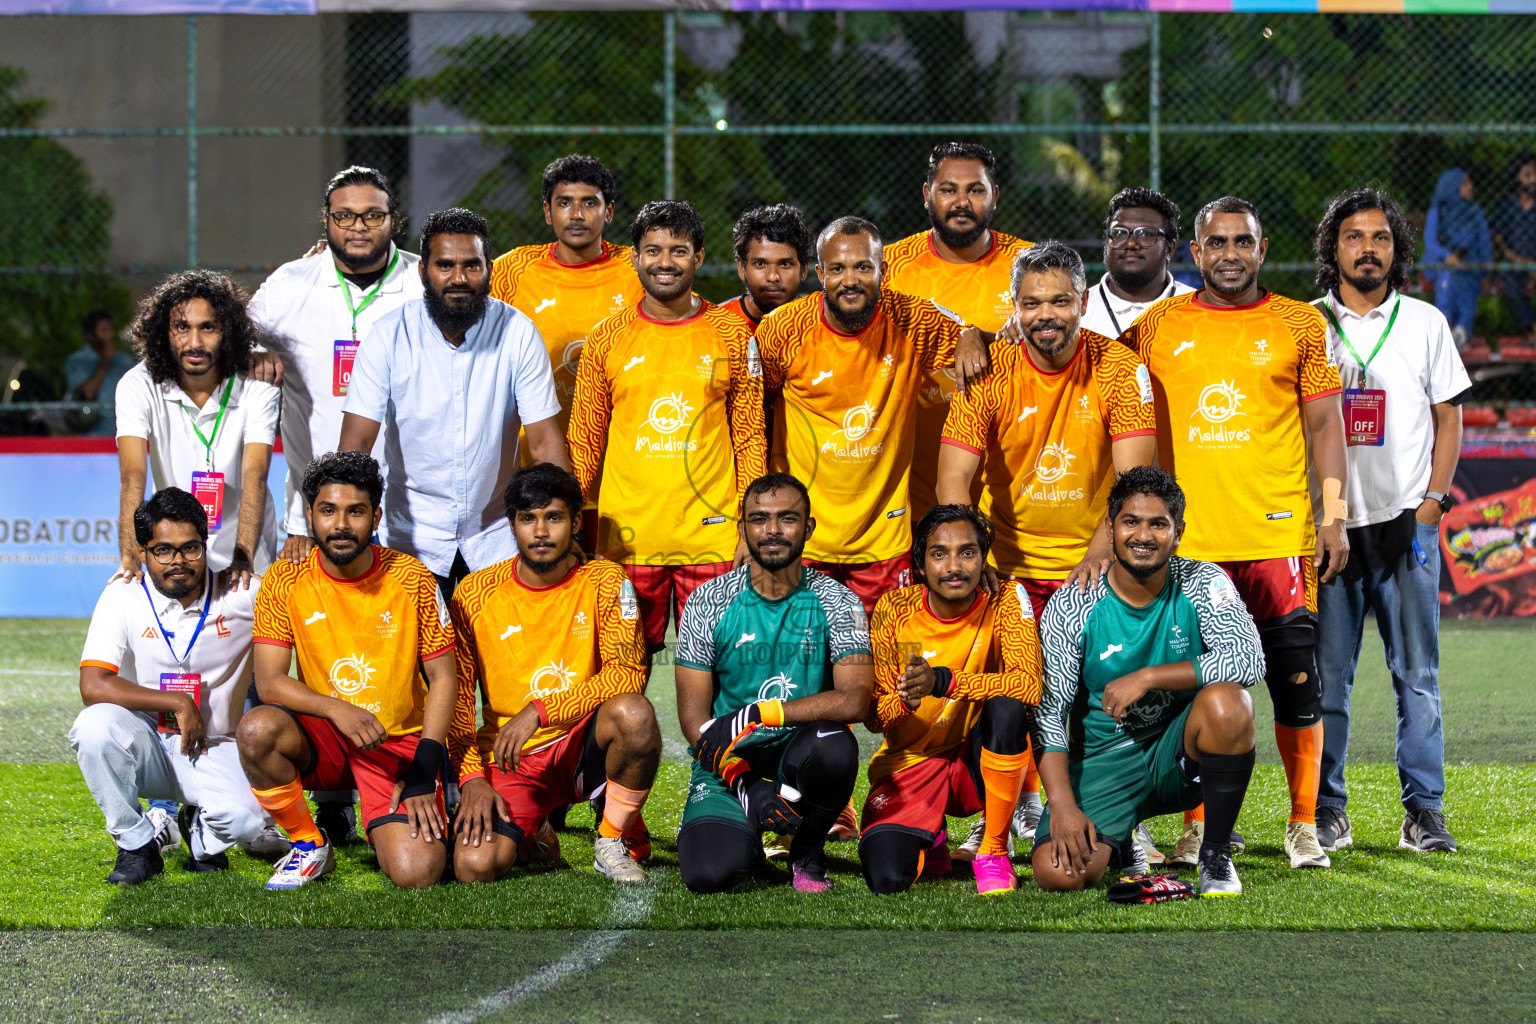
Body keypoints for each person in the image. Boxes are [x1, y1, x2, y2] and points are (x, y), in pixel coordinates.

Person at [1121, 195, 1349, 872]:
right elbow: (1092, 369)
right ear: (1195, 251)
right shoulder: (1154, 325)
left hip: (1275, 536)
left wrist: (1332, 515)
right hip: (1189, 548)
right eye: (1215, 243)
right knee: (1192, 690)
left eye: (1241, 243)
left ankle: (1304, 824)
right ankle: (1196, 825)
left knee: (1297, 683)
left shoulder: (1300, 324)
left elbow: (1326, 428)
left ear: (1262, 247)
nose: (1228, 255)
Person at [937, 240, 1157, 855]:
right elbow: (953, 477)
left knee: (1102, 694)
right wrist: (968, 555)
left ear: (1083, 301)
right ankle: (1001, 821)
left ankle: (1123, 819)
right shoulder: (988, 373)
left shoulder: (1117, 368)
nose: (1046, 314)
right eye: (1032, 303)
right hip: (1009, 569)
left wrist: (1100, 551)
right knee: (1009, 694)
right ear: (1014, 306)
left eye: (1060, 300)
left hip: (1095, 566)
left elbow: (1136, 483)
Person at [1311, 188, 1470, 855]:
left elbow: (1448, 418)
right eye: (1355, 237)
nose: (1368, 248)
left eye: (1380, 237)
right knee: (1329, 683)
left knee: (1417, 676)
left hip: (1408, 524)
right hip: (1333, 532)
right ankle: (1324, 810)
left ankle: (1423, 812)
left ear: (1396, 248)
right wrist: (1321, 516)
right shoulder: (1304, 322)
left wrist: (1433, 503)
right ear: (1333, 248)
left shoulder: (1426, 322)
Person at [1031, 466, 1263, 897]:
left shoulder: (1203, 581)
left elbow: (1249, 658)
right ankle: (1120, 845)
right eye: (1131, 522)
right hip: (1105, 759)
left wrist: (1149, 676)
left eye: (1159, 524)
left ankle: (1215, 854)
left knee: (1231, 703)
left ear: (1178, 533)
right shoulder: (1075, 601)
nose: (1144, 535)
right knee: (1057, 874)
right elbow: (1048, 712)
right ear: (1111, 528)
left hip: (1178, 750)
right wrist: (1062, 806)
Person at [236, 451, 458, 889]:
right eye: (328, 511)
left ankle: (417, 806)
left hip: (396, 746)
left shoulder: (413, 579)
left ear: (375, 516)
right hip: (328, 739)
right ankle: (308, 844)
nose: (341, 524)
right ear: (310, 515)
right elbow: (270, 681)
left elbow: (445, 679)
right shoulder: (284, 579)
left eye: (355, 511)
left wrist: (422, 769)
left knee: (417, 873)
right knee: (257, 730)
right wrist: (338, 710)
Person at [755, 215, 995, 618]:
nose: (851, 279)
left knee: (879, 664)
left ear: (882, 271)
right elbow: (752, 412)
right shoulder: (783, 330)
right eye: (838, 269)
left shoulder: (910, 321)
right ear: (819, 274)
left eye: (863, 267)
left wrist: (971, 333)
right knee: (804, 665)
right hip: (803, 536)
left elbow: (974, 340)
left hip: (883, 539)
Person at [567, 199, 766, 652]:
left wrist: (748, 526)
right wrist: (575, 528)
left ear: (698, 257)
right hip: (626, 545)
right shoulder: (607, 339)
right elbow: (584, 441)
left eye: (678, 251)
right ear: (635, 256)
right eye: (652, 250)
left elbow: (751, 437)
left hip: (712, 540)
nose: (664, 262)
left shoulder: (733, 334)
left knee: (723, 670)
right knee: (623, 671)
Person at [339, 207, 568, 599]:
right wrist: (349, 526)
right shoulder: (388, 335)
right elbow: (356, 444)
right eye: (445, 265)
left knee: (497, 659)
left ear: (489, 269)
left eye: (471, 265)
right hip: (411, 540)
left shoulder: (518, 332)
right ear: (423, 271)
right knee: (416, 661)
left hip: (497, 537)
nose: (459, 278)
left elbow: (546, 443)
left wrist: (566, 530)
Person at [448, 463, 659, 883]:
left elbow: (627, 675)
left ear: (576, 522)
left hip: (583, 744)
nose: (541, 531)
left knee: (634, 713)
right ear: (512, 526)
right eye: (528, 519)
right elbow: (455, 700)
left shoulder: (606, 580)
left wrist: (539, 712)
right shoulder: (473, 594)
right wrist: (471, 776)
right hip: (511, 756)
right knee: (474, 867)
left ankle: (613, 835)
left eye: (554, 517)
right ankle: (537, 832)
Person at [673, 473, 873, 894]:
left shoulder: (839, 600)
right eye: (760, 519)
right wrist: (747, 784)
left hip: (799, 757)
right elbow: (693, 717)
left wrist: (761, 713)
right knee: (711, 874)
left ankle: (807, 848)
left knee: (834, 744)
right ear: (742, 527)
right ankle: (746, 835)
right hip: (728, 761)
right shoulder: (707, 601)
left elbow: (855, 699)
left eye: (788, 519)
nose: (773, 531)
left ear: (809, 528)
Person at [71, 488, 275, 884]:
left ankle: (200, 831)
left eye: (190, 548)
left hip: (215, 742)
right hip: (149, 742)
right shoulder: (122, 594)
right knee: (94, 727)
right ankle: (136, 844)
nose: (178, 562)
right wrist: (177, 702)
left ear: (205, 545)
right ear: (142, 552)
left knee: (248, 824)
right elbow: (92, 685)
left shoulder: (244, 593)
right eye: (163, 550)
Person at [860, 505, 1041, 896]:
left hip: (972, 763)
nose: (954, 566)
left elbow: (1029, 686)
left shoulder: (1006, 598)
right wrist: (906, 701)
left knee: (1007, 706)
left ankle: (993, 851)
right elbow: (874, 716)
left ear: (984, 559)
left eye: (968, 552)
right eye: (939, 554)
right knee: (887, 878)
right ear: (921, 566)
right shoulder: (895, 609)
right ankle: (932, 835)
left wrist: (943, 680)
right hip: (910, 764)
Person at [248, 166, 422, 565]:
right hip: (318, 515)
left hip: (413, 513)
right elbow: (225, 337)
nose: (358, 226)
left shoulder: (423, 283)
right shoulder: (289, 285)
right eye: (344, 215)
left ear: (392, 219)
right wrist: (251, 352)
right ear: (326, 220)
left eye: (373, 215)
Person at [884, 142, 1033, 521]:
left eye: (975, 190)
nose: (961, 201)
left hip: (1009, 496)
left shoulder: (1031, 269)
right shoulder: (888, 268)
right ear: (926, 194)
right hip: (904, 496)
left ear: (994, 196)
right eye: (948, 189)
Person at [115, 270, 279, 582]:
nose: (194, 342)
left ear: (227, 332)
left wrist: (242, 559)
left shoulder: (258, 385)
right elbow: (132, 476)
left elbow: (255, 474)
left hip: (246, 555)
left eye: (208, 328)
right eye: (181, 327)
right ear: (164, 332)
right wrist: (129, 558)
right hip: (175, 558)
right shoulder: (137, 385)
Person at [489, 155, 643, 463]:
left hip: (620, 461)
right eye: (564, 203)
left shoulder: (637, 267)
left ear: (608, 210)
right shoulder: (512, 270)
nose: (576, 214)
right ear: (548, 211)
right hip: (532, 460)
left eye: (589, 203)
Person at [1079, 187, 1195, 341]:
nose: (1131, 244)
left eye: (1145, 234)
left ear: (1170, 248)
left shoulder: (1199, 308)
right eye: (1119, 233)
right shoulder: (1075, 313)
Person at [1423, 169, 1490, 350]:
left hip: (1469, 264)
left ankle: (1461, 330)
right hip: (1442, 263)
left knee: (1467, 282)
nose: (1471, 187)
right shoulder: (1438, 211)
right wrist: (1446, 255)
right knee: (1448, 279)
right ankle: (1447, 328)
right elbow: (1430, 241)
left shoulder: (1474, 212)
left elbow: (1484, 243)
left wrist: (1485, 270)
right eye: (1465, 183)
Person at [720, 203, 813, 330]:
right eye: (760, 264)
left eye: (785, 264)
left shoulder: (817, 327)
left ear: (804, 270)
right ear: (742, 268)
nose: (773, 276)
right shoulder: (714, 326)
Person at [66, 310, 136, 437]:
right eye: (104, 330)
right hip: (91, 434)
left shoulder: (124, 361)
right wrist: (105, 361)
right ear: (90, 335)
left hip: (122, 431)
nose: (110, 335)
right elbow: (86, 394)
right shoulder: (78, 360)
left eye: (111, 329)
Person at [1491, 153, 1536, 339]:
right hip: (1513, 261)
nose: (1533, 179)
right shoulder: (1506, 204)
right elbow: (1498, 239)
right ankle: (1531, 327)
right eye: (1528, 174)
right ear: (1517, 176)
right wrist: (1516, 259)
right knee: (1510, 281)